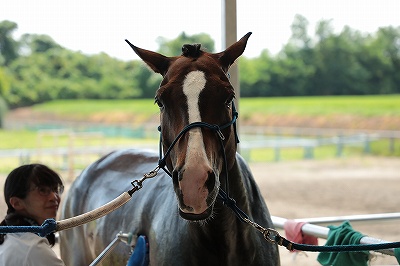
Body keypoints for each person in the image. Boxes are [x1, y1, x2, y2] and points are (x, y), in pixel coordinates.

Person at [0, 163, 65, 265]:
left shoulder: (8, 238)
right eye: (42, 190)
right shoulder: (33, 248)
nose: (54, 197)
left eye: (55, 189)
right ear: (17, 203)